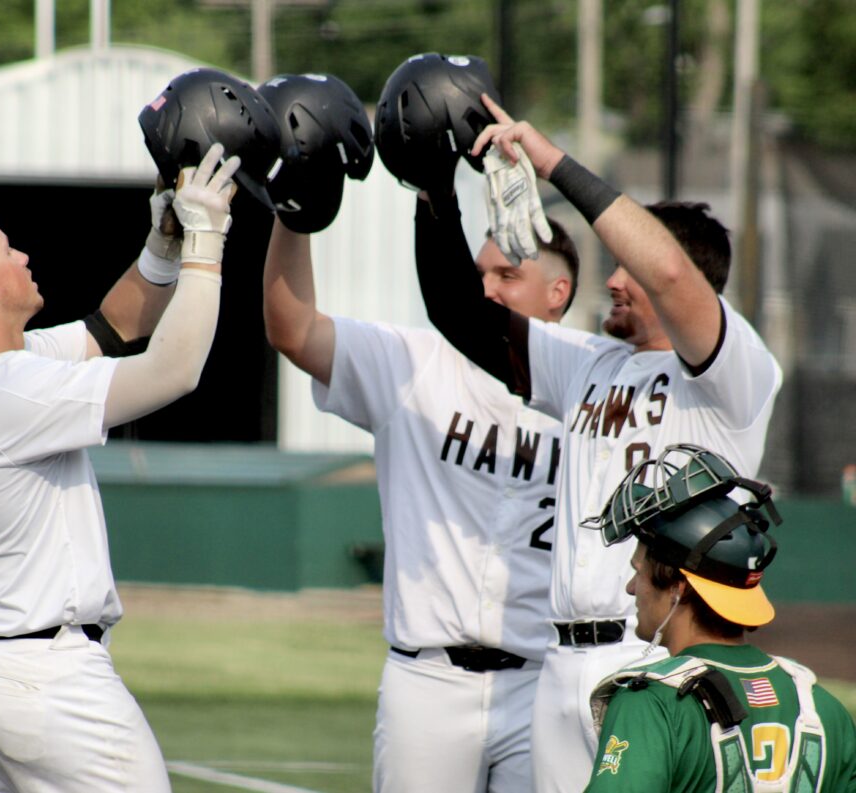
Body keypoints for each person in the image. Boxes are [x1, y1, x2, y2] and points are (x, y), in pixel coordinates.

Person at [414, 95, 783, 793]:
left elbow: (670, 273)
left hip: (659, 654)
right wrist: (433, 187)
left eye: (628, 265)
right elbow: (458, 315)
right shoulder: (588, 362)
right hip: (560, 669)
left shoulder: (734, 374)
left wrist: (551, 162)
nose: (613, 278)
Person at [0, 143, 239, 792]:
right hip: (39, 680)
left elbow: (113, 327)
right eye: (6, 248)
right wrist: (206, 238)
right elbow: (174, 370)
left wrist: (162, 243)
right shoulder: (8, 386)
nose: (23, 256)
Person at [265, 205, 579, 791]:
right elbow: (293, 329)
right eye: (478, 273)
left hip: (545, 680)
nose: (485, 288)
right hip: (429, 678)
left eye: (507, 276)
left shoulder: (594, 385)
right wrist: (293, 213)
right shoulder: (413, 360)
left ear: (557, 292)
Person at [583, 443, 856, 792]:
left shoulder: (651, 703)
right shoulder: (821, 708)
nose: (631, 588)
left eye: (639, 571)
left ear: (679, 587)